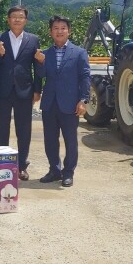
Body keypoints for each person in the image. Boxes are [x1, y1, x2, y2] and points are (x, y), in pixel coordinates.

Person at [35, 15, 90, 187]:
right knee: (50, 139)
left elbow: (85, 77)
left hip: (70, 104)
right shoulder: (44, 53)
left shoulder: (79, 52)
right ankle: (54, 170)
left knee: (70, 140)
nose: (59, 31)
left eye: (63, 28)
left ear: (69, 31)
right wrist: (41, 63)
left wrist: (83, 99)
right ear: (51, 32)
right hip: (50, 104)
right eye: (56, 28)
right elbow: (41, 75)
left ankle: (68, 172)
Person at [0, 5, 42, 181]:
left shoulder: (33, 40)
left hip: (25, 91)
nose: (17, 20)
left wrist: (37, 90)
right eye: (14, 17)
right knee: (2, 129)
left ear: (25, 20)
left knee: (24, 130)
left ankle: (21, 167)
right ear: (8, 19)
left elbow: (37, 67)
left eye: (20, 17)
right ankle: (2, 165)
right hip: (3, 91)